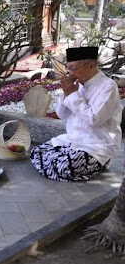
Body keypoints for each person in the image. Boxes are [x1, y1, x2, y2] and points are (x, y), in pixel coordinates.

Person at [30, 46, 123, 182]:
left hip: (97, 146)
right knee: (36, 153)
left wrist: (72, 94)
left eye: (74, 68)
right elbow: (62, 114)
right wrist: (66, 92)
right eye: (69, 69)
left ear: (91, 65)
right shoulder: (78, 84)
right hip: (73, 140)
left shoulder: (108, 87)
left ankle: (66, 167)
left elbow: (94, 119)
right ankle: (58, 166)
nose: (71, 73)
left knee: (64, 166)